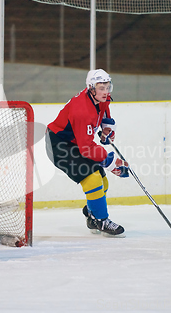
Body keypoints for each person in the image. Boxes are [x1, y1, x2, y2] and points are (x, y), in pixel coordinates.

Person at [45, 69, 129, 237]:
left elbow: (104, 114)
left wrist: (107, 130)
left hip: (75, 142)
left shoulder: (100, 98)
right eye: (101, 88)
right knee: (92, 179)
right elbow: (86, 148)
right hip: (58, 146)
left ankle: (92, 214)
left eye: (108, 87)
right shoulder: (81, 110)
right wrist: (110, 162)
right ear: (91, 88)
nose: (106, 92)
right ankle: (101, 220)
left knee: (103, 183)